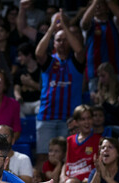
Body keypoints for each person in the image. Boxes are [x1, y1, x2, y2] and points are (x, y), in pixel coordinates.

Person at [34, 10, 85, 167]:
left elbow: (80, 50)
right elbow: (38, 52)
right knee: (43, 156)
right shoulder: (49, 61)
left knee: (67, 157)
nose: (62, 42)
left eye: (65, 40)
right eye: (58, 40)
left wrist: (64, 27)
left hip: (69, 119)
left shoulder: (76, 61)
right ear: (54, 43)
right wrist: (51, 29)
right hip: (47, 117)